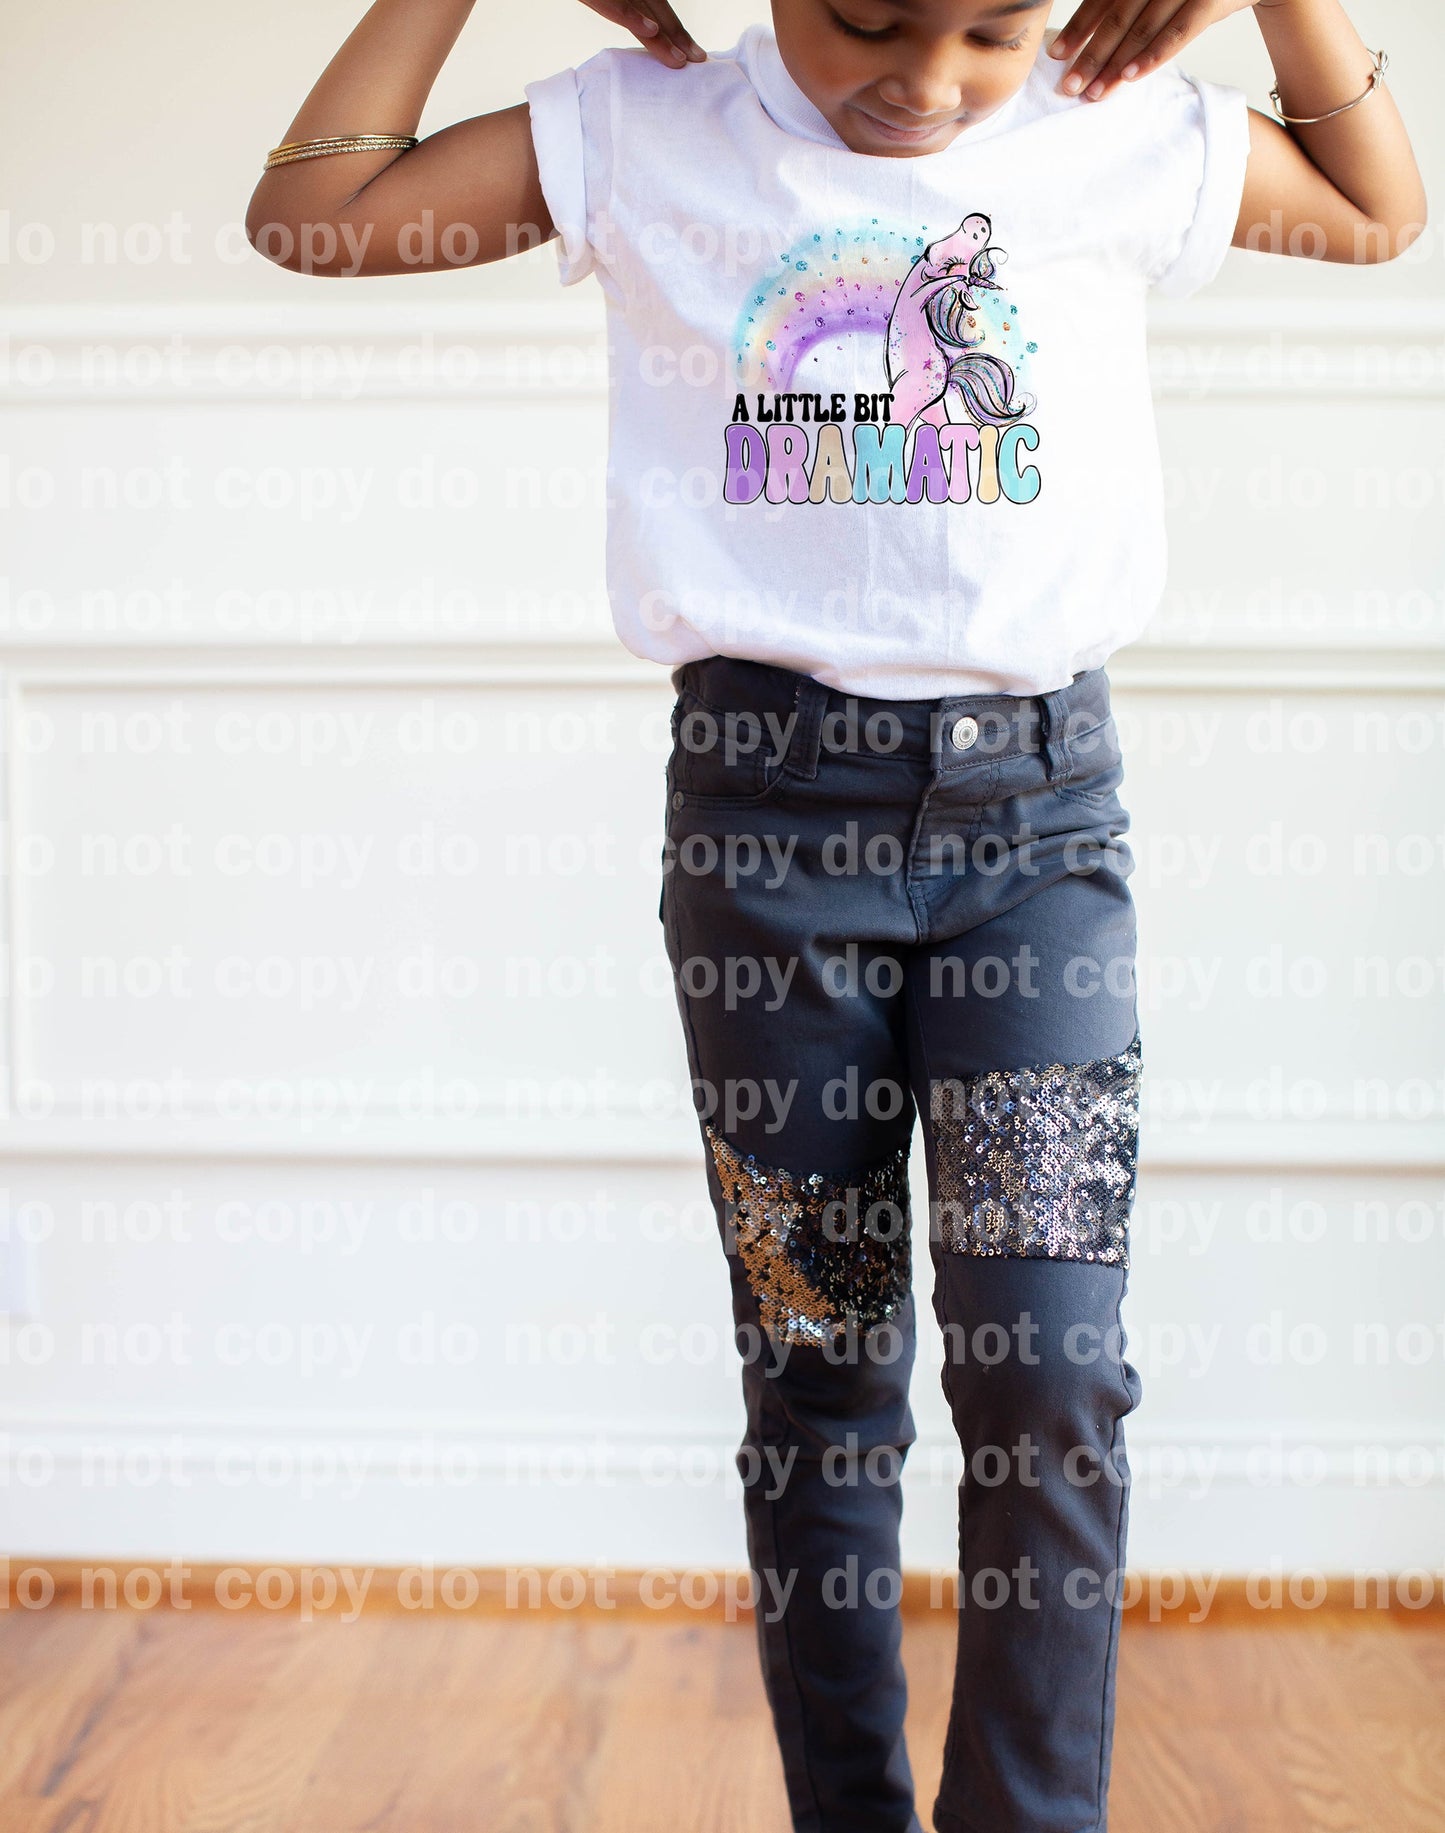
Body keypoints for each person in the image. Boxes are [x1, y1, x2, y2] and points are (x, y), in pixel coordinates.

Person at [246, 4, 1425, 1829]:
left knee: (1050, 1374)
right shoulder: (647, 131)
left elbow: (1374, 213)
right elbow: (312, 218)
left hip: (1036, 845)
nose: (923, 83)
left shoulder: (1115, 126)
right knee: (820, 1370)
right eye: (865, 22)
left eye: (989, 30)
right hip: (765, 851)